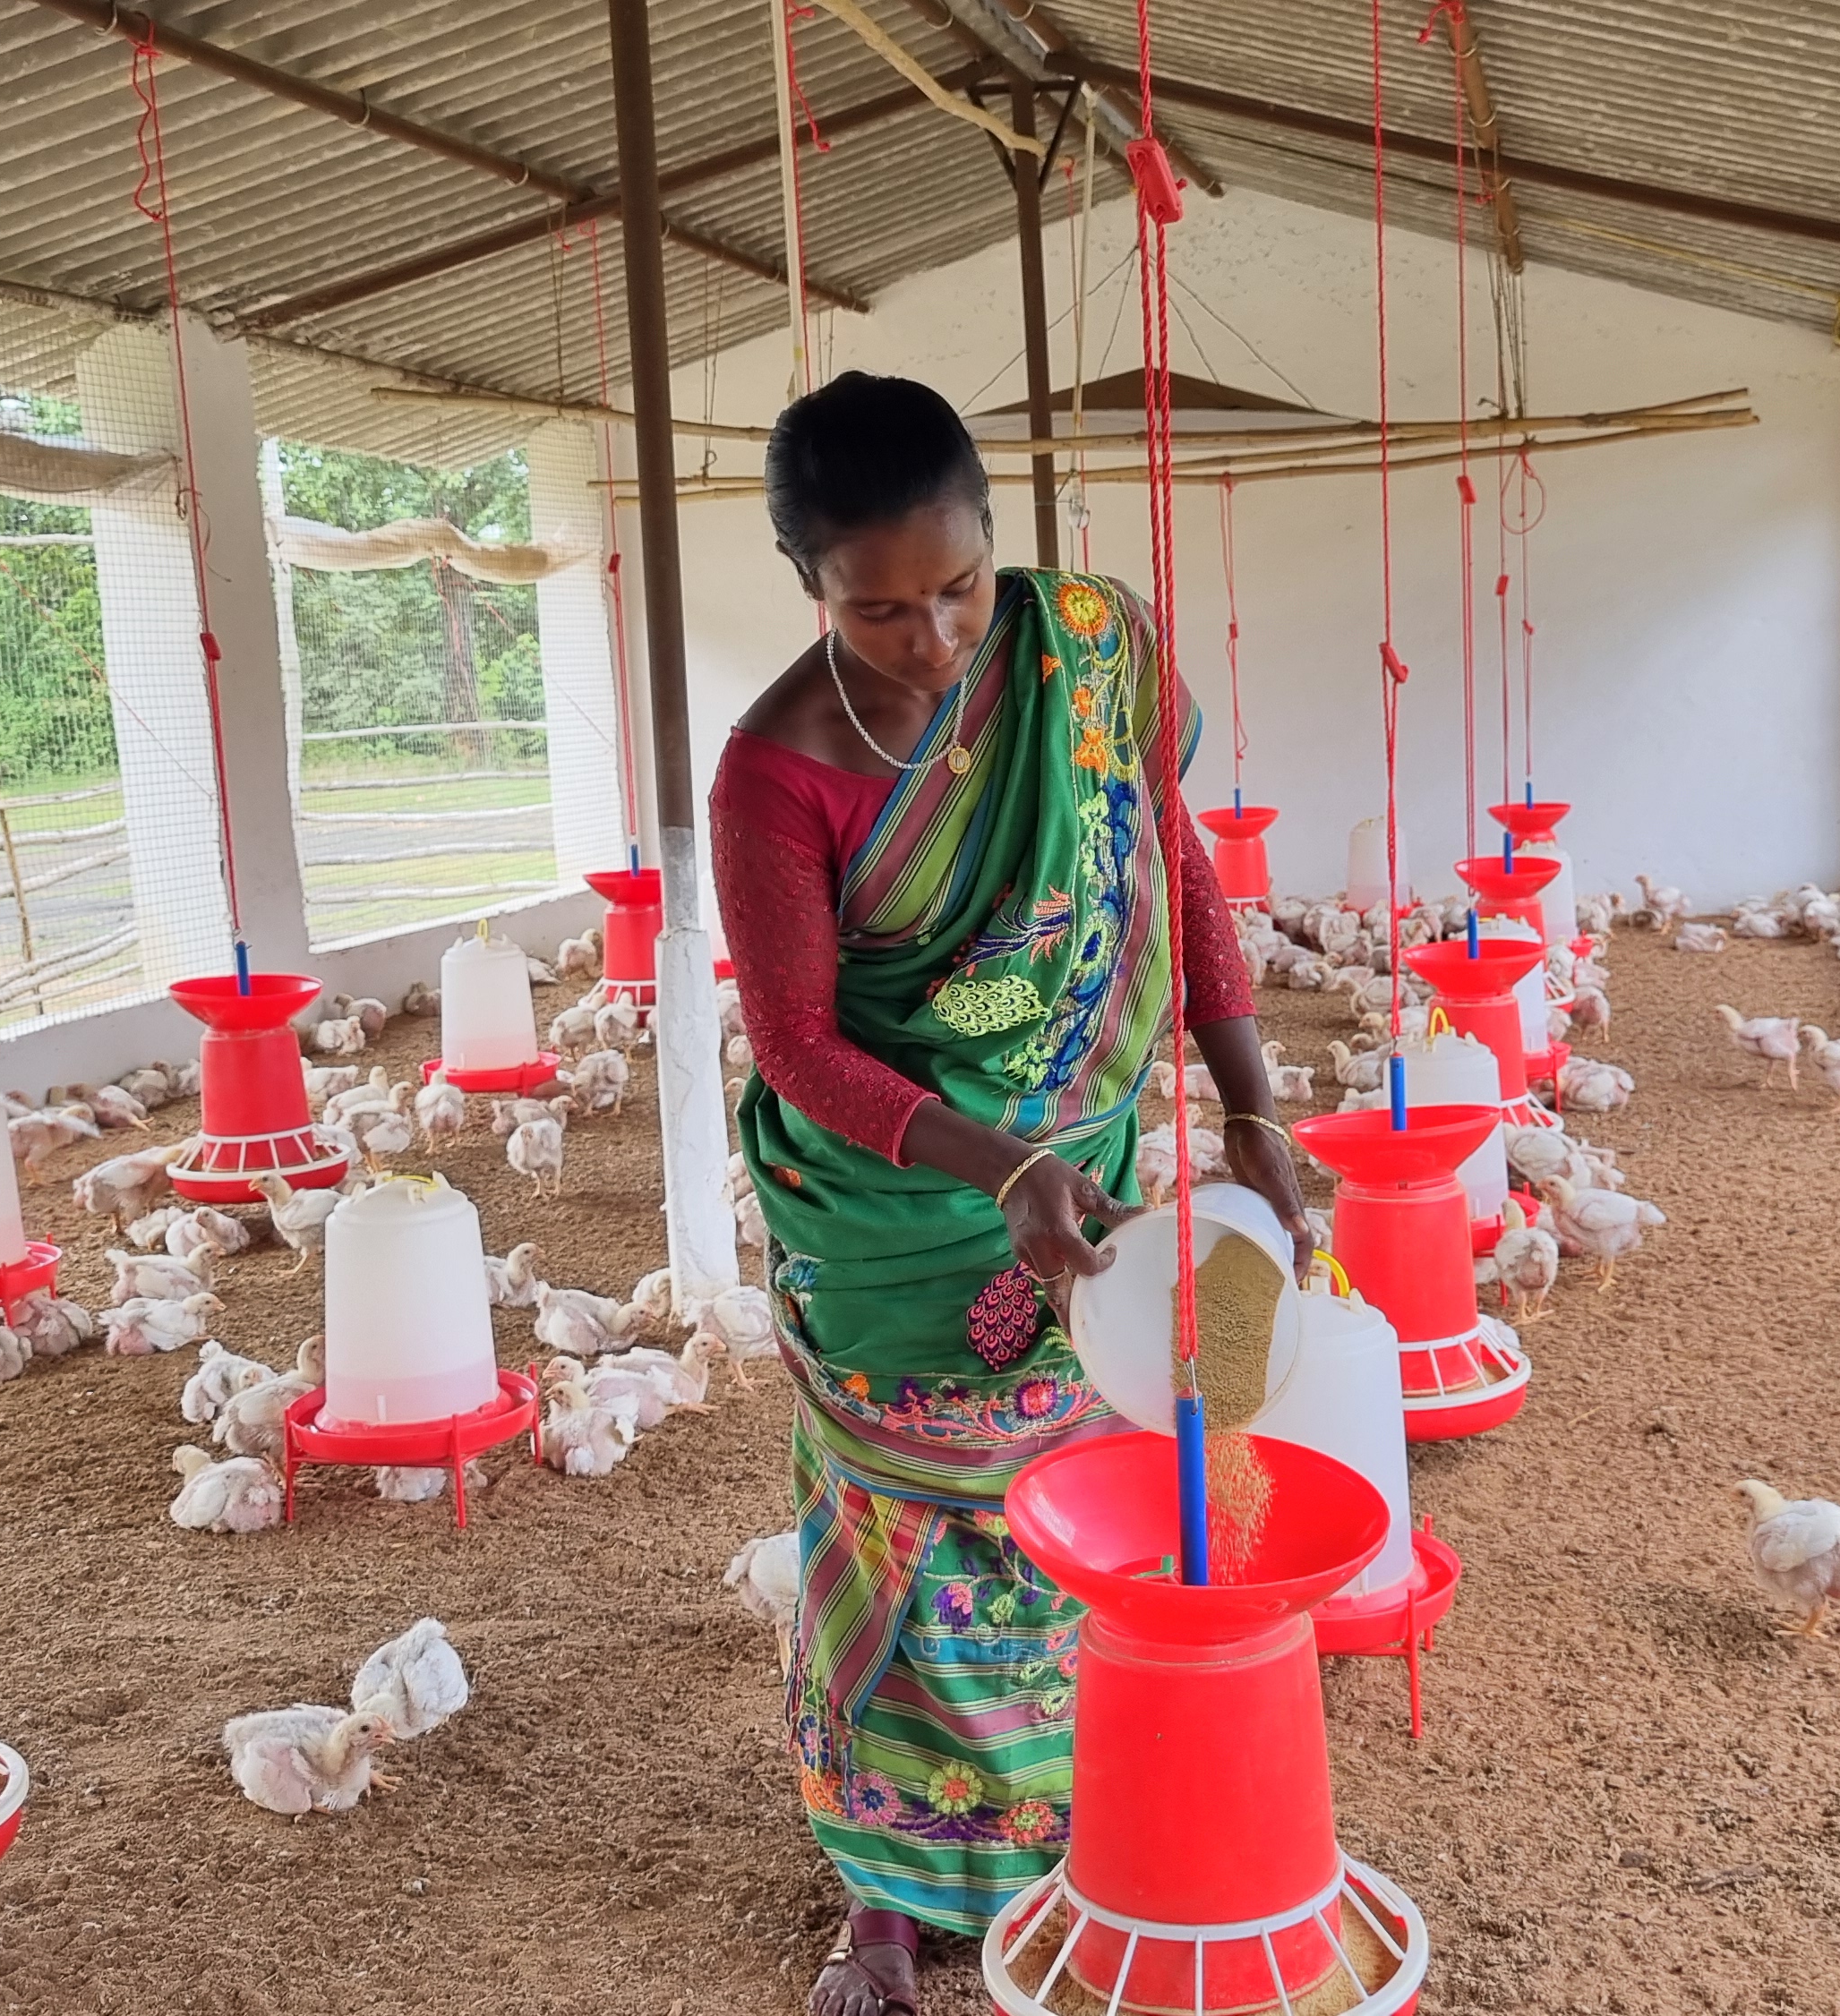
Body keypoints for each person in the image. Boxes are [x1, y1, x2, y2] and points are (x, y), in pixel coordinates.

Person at [712, 371, 1312, 2016]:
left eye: (962, 586)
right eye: (877, 608)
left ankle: (1074, 1829)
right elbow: (803, 1049)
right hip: (892, 1206)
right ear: (809, 582)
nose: (934, 638)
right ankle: (885, 1891)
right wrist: (1003, 1167)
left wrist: (1249, 1102)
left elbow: (1165, 848)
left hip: (1075, 1171)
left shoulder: (1089, 647)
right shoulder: (778, 770)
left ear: (999, 535)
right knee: (902, 1526)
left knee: (1065, 1512)